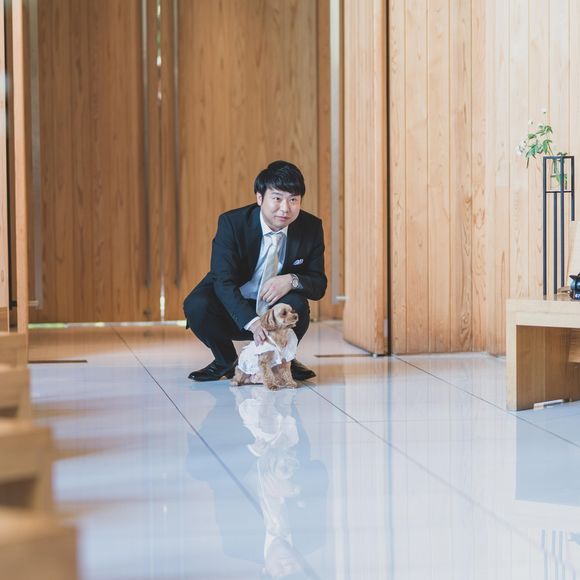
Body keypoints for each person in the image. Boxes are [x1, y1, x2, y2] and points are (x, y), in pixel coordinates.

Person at [183, 160, 327, 382]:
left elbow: (318, 285)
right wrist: (253, 322)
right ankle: (226, 361)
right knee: (196, 305)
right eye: (277, 198)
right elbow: (222, 281)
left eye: (293, 200)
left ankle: (283, 358)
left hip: (274, 309)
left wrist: (291, 279)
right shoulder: (232, 223)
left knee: (297, 303)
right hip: (234, 310)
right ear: (260, 198)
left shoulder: (311, 227)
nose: (285, 208)